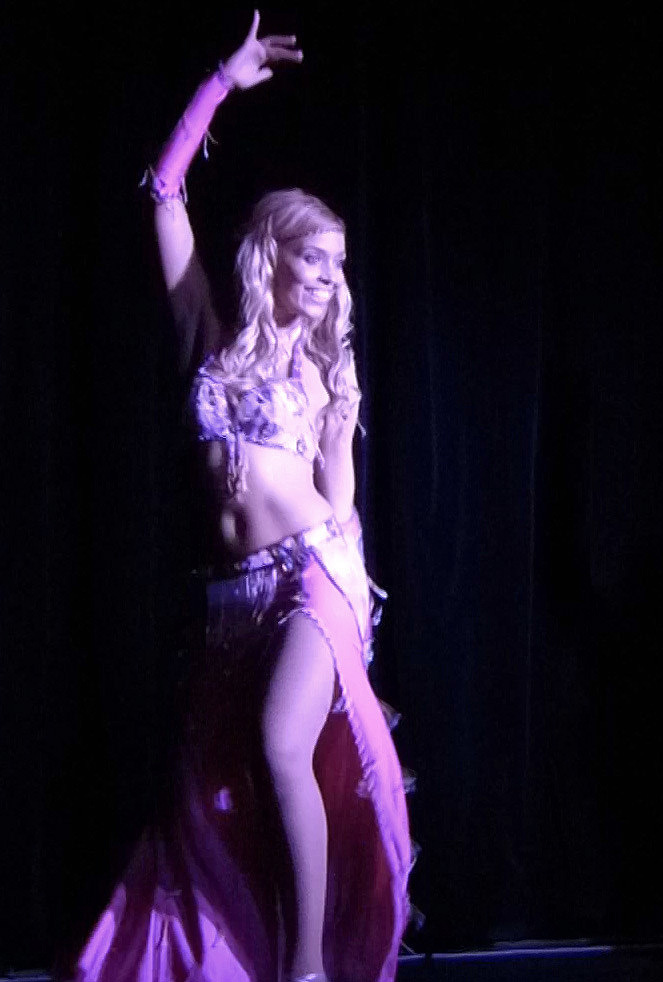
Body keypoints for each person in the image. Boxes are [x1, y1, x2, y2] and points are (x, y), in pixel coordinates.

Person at [72, 14, 412, 982]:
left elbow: (337, 498)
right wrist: (220, 82)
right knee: (218, 794)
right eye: (315, 258)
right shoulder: (208, 338)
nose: (331, 278)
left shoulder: (327, 370)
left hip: (315, 574)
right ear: (273, 255)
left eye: (340, 263)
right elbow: (162, 191)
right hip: (230, 599)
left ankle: (307, 969)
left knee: (277, 741)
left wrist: (342, 439)